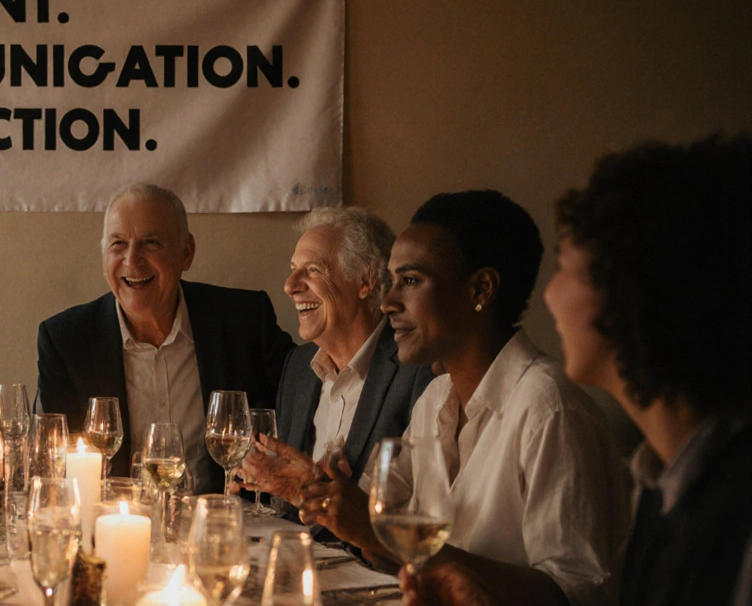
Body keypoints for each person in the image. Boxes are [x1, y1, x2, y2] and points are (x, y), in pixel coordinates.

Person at [400, 136, 752, 606]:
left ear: (635, 285)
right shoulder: (660, 481)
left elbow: (581, 587)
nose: (548, 295)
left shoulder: (733, 503)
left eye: (566, 267)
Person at [299, 190, 629, 606]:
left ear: (480, 289)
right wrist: (335, 501)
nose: (387, 303)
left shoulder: (550, 410)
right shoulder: (437, 398)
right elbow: (386, 539)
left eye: (410, 281)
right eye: (392, 281)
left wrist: (376, 532)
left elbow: (576, 593)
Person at [36, 183, 295, 493]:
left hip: (223, 516)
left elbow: (303, 402)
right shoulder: (66, 340)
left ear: (186, 253)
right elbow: (52, 464)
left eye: (151, 243)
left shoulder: (245, 321)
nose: (132, 260)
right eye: (118, 244)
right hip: (115, 518)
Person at [234, 206, 435, 510]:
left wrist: (312, 489)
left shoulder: (418, 370)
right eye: (293, 269)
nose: (290, 286)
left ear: (365, 281)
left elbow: (418, 510)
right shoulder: (299, 366)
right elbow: (285, 502)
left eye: (313, 270)